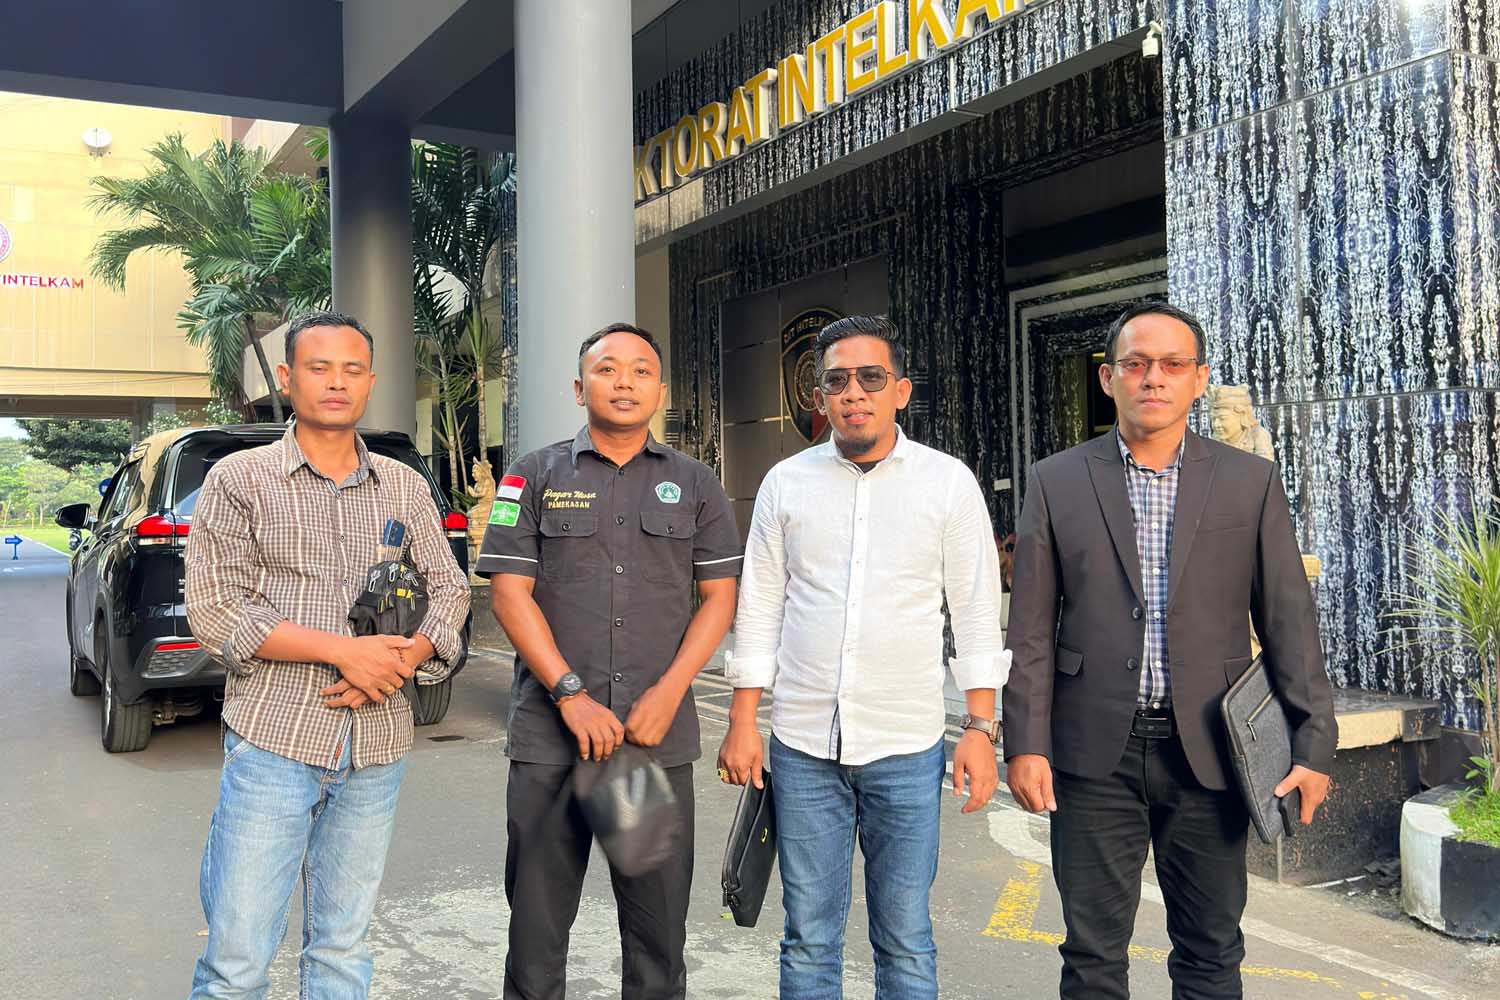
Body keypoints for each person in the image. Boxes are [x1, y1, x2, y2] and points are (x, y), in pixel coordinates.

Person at [1003, 301, 1337, 999]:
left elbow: (1289, 622)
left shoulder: (1248, 482)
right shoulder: (1056, 480)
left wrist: (1313, 746)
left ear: (1198, 379)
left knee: (1211, 952)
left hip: (1210, 749)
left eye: (1171, 364)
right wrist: (1025, 743)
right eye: (1135, 364)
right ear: (1108, 378)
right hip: (1093, 754)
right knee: (1092, 958)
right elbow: (1029, 629)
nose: (1153, 377)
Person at [184, 310, 471, 998]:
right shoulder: (240, 478)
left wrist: (404, 658)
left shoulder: (403, 485)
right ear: (288, 378)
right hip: (274, 741)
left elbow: (450, 588)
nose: (336, 382)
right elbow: (216, 609)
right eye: (319, 368)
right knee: (237, 961)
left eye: (352, 370)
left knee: (342, 950)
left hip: (376, 745)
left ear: (370, 382)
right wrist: (345, 652)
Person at [720, 315, 1008, 999]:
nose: (854, 392)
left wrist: (980, 727)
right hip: (802, 747)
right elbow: (760, 606)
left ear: (900, 390)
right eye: (837, 380)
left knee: (905, 939)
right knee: (807, 938)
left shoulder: (947, 483)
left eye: (871, 378)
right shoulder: (786, 483)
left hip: (905, 746)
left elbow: (974, 609)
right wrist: (742, 720)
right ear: (820, 396)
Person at [478, 322, 742, 1000]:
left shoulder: (695, 483)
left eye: (640, 370)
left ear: (660, 390)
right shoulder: (531, 475)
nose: (624, 382)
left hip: (650, 745)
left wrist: (670, 692)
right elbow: (508, 593)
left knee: (657, 942)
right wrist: (569, 694)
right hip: (550, 744)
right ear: (579, 387)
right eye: (606, 369)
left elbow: (719, 598)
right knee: (536, 938)